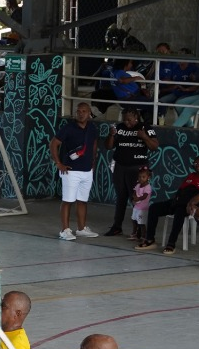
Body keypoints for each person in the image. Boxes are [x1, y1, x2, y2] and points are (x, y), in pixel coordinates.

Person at [142, 154, 199, 255]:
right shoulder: (191, 176)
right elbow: (181, 191)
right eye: (196, 163)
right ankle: (150, 239)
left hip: (193, 206)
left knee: (179, 212)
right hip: (178, 202)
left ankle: (171, 244)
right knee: (154, 208)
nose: (197, 165)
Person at [104, 108, 156, 239]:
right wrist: (111, 135)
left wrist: (144, 137)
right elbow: (109, 147)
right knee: (121, 197)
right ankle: (117, 227)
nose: (127, 122)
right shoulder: (119, 128)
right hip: (120, 167)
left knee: (137, 199)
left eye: (129, 120)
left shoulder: (145, 127)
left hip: (137, 169)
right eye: (124, 119)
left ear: (136, 117)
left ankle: (139, 229)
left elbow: (154, 146)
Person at [51, 102, 98, 241]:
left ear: (89, 113)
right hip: (71, 171)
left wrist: (93, 162)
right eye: (78, 111)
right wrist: (58, 163)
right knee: (68, 200)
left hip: (87, 170)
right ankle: (64, 230)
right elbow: (53, 143)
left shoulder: (92, 128)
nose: (81, 113)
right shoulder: (68, 128)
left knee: (82, 200)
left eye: (84, 111)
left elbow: (94, 144)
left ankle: (81, 228)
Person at [130, 168, 154, 248]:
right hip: (136, 207)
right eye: (139, 177)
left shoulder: (147, 187)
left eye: (143, 177)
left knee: (141, 223)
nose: (141, 178)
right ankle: (134, 234)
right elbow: (134, 192)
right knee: (134, 220)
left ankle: (144, 236)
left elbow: (145, 196)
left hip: (143, 208)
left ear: (148, 177)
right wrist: (133, 198)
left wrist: (138, 198)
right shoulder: (138, 185)